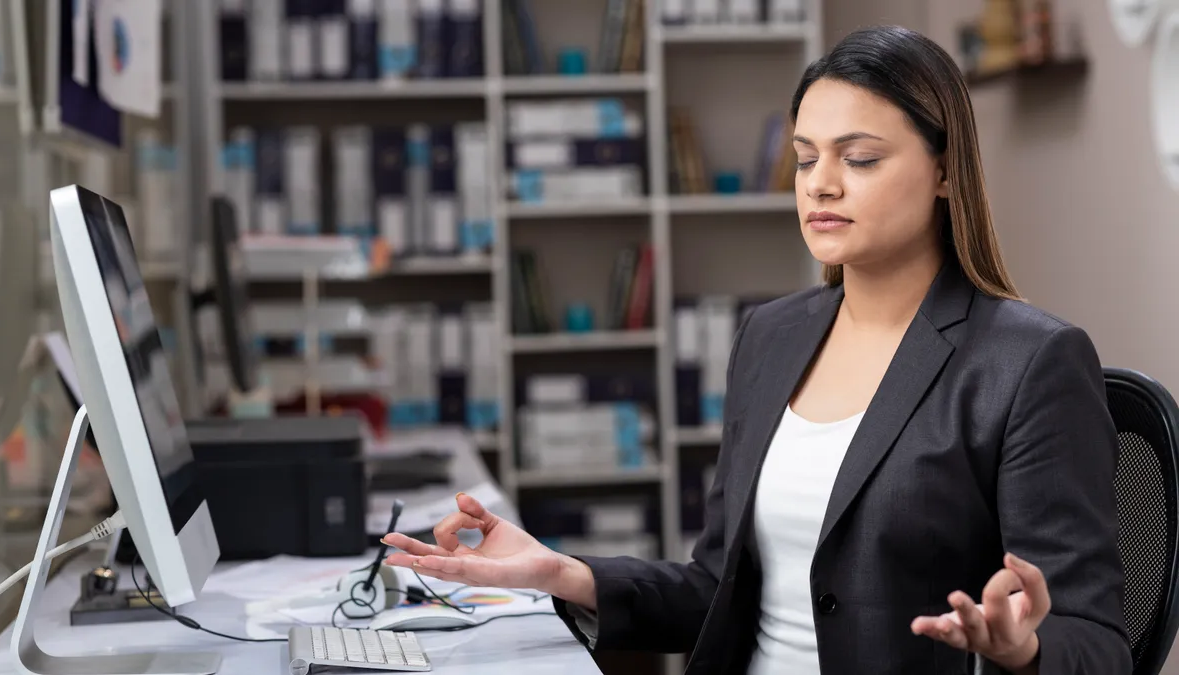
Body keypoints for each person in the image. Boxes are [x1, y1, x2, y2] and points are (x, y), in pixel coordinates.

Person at [382, 25, 1131, 675]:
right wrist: (561, 572)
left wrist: (1022, 651)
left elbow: (1098, 646)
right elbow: (719, 590)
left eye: (860, 158)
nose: (821, 184)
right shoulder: (773, 335)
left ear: (943, 170)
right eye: (806, 159)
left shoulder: (1030, 362)